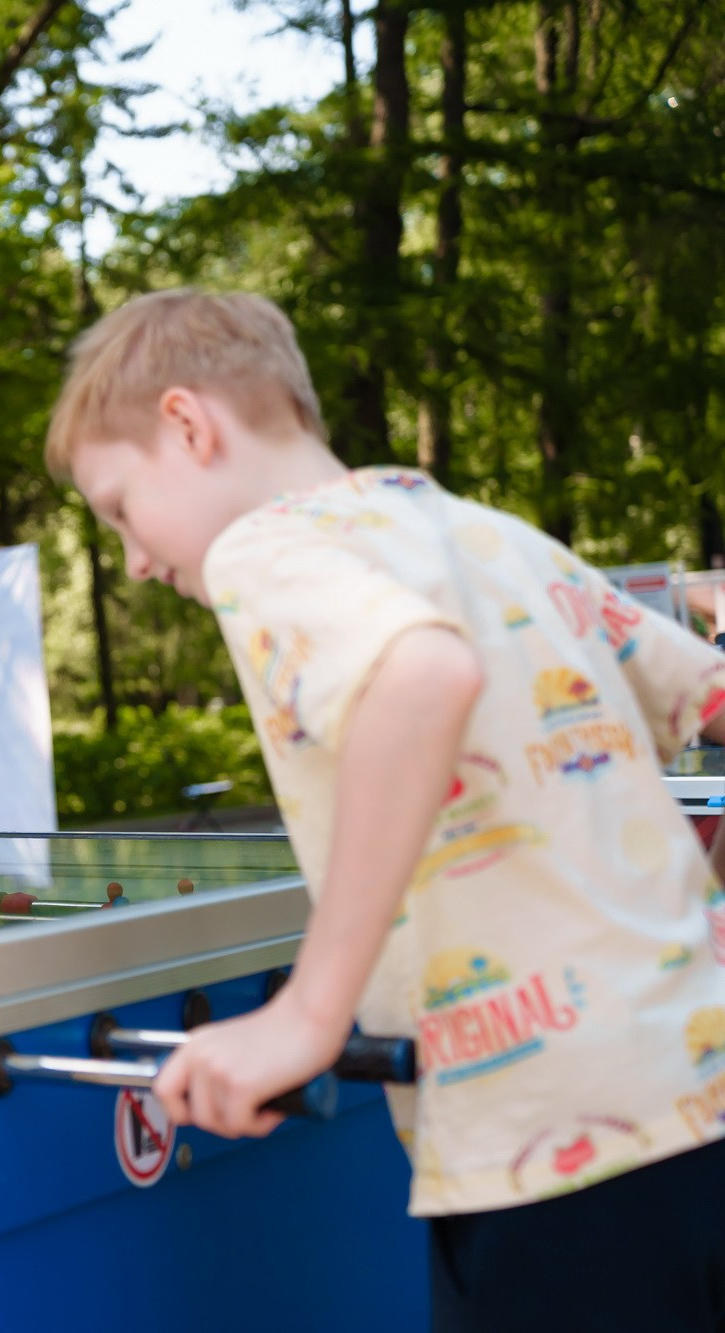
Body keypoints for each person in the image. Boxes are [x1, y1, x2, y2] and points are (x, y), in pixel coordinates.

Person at [45, 288, 725, 1331]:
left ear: (186, 424)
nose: (133, 559)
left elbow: (418, 678)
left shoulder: (260, 549)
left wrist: (304, 1016)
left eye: (118, 507)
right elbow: (704, 694)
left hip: (550, 1148)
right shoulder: (492, 536)